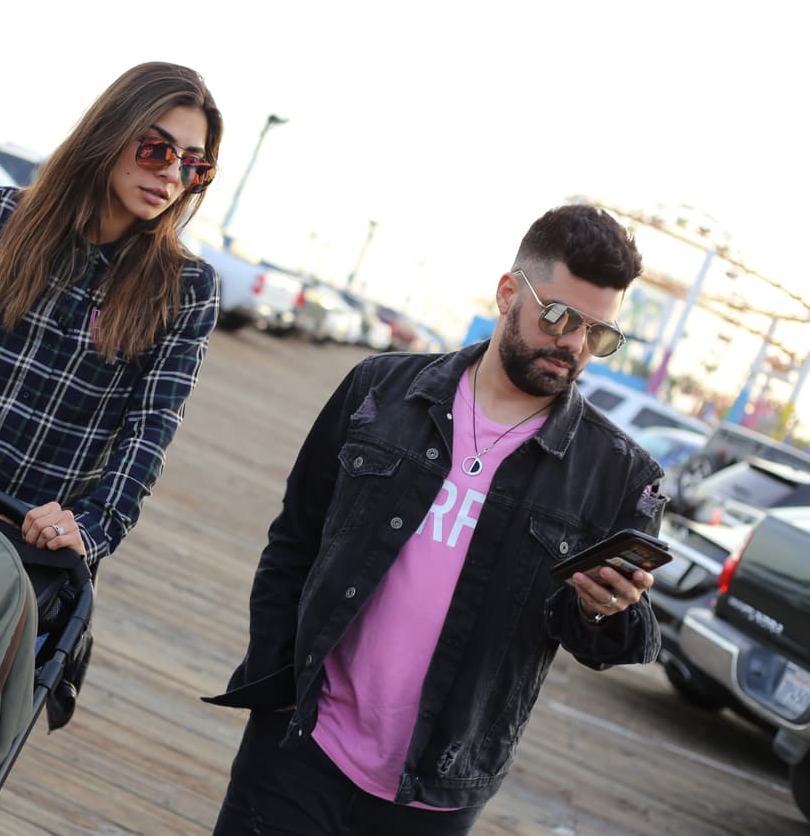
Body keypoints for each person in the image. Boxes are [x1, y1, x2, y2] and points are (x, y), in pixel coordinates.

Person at [205, 204, 668, 835]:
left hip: (434, 796)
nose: (574, 345)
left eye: (599, 333)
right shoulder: (380, 390)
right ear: (510, 293)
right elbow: (296, 537)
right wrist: (275, 675)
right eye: (558, 316)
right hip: (299, 748)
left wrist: (602, 610)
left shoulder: (619, 474)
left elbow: (610, 643)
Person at [0, 62, 223, 568]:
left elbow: (148, 429)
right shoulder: (3, 219)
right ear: (111, 132)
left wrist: (93, 526)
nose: (172, 173)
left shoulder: (185, 289)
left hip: (30, 548)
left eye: (194, 165)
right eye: (157, 149)